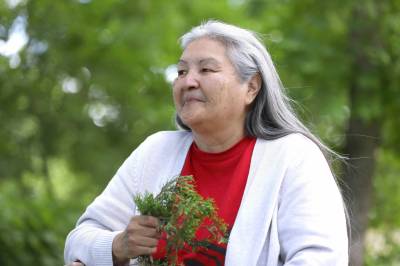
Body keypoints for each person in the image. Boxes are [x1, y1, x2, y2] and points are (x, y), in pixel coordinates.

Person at [64, 20, 348, 266]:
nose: (188, 81)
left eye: (206, 70)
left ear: (251, 87)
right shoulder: (156, 152)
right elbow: (81, 237)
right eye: (181, 72)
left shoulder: (294, 157)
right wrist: (118, 245)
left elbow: (320, 259)